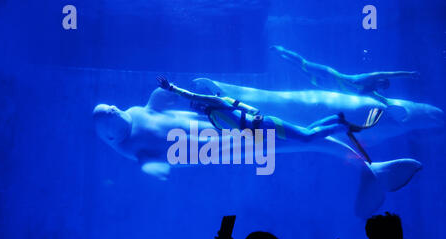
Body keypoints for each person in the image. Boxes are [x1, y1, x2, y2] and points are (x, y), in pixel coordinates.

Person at [157, 76, 360, 143]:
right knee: (305, 132)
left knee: (306, 136)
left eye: (196, 104)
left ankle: (344, 127)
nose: (195, 107)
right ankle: (336, 119)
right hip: (262, 131)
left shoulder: (215, 102)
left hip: (265, 125)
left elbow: (191, 95)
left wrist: (172, 88)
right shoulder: (212, 116)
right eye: (194, 107)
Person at [270, 45, 418, 108]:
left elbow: (383, 100)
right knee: (304, 64)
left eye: (382, 87)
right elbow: (389, 74)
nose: (380, 87)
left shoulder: (369, 92)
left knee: (298, 69)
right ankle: (282, 50)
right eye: (382, 83)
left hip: (324, 84)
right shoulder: (369, 78)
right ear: (379, 81)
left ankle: (281, 57)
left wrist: (393, 106)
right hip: (329, 74)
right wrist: (408, 74)